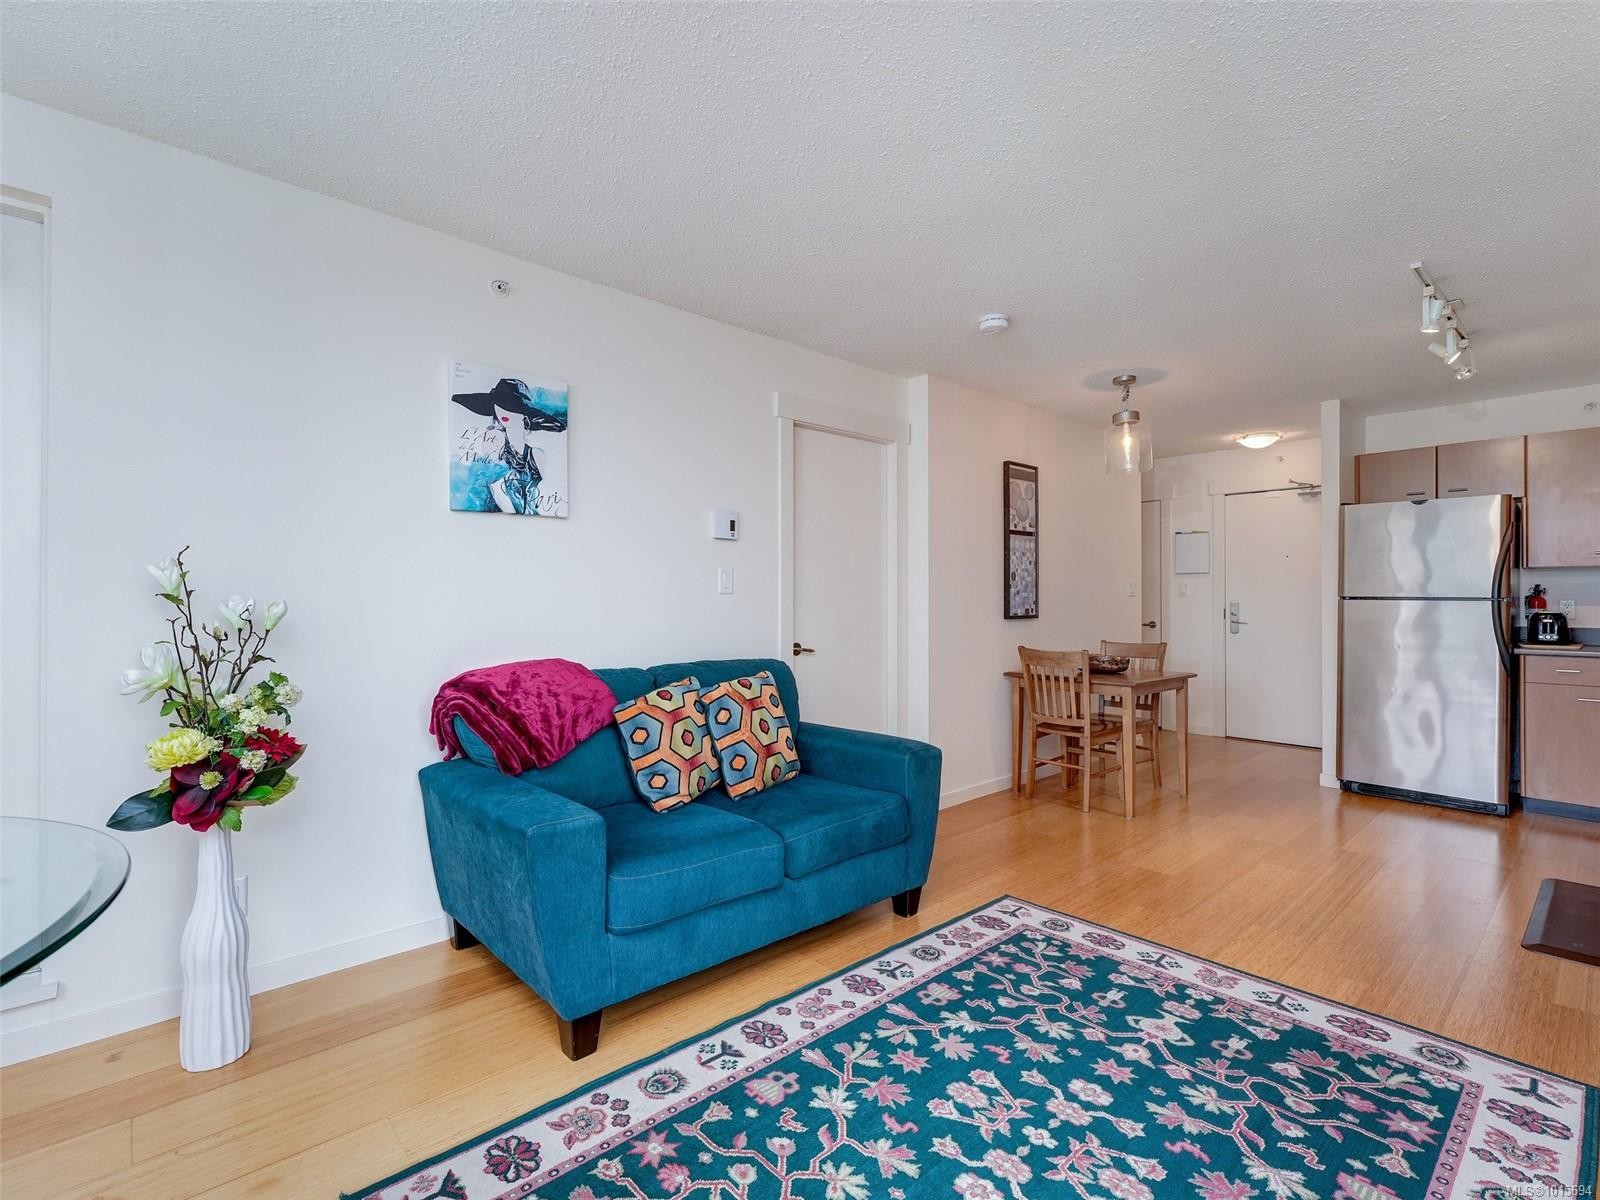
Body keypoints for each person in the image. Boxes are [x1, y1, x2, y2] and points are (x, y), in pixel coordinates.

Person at [450, 378, 565, 514]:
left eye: (512, 407)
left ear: (524, 414)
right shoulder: (494, 444)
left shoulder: (536, 455)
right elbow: (496, 490)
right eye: (500, 404)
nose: (504, 411)